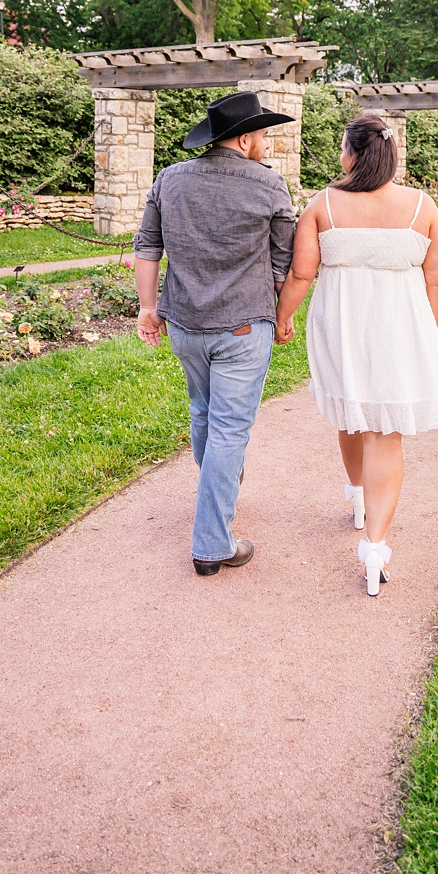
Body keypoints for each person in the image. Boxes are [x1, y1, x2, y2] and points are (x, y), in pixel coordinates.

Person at [274, 113, 438, 596]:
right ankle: (376, 546)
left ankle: (357, 495)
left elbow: (301, 275)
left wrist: (283, 318)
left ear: (351, 154)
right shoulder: (421, 206)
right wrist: (426, 329)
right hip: (400, 329)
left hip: (341, 327)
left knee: (351, 412)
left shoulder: (323, 204)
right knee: (387, 433)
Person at [134, 89, 298, 576]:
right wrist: (283, 314)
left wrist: (148, 308)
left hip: (184, 325)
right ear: (246, 140)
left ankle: (217, 490)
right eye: (264, 135)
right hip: (244, 327)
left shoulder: (170, 179)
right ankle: (213, 545)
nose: (267, 143)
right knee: (229, 430)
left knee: (204, 414)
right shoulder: (270, 187)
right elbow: (282, 263)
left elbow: (147, 247)